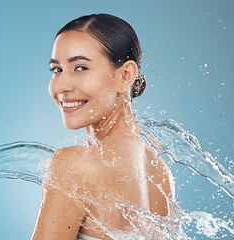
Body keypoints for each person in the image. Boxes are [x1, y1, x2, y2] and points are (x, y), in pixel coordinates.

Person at [31, 14, 179, 240]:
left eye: (80, 68)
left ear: (125, 75)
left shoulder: (75, 166)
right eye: (57, 69)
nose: (62, 86)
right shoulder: (159, 170)